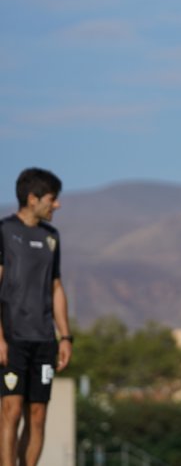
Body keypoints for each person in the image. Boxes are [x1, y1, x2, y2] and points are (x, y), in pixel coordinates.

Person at [0, 168, 72, 466]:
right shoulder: (4, 231)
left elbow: (56, 286)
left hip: (43, 340)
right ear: (32, 198)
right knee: (11, 411)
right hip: (12, 339)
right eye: (52, 199)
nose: (56, 205)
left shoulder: (51, 237)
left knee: (38, 415)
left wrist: (65, 336)